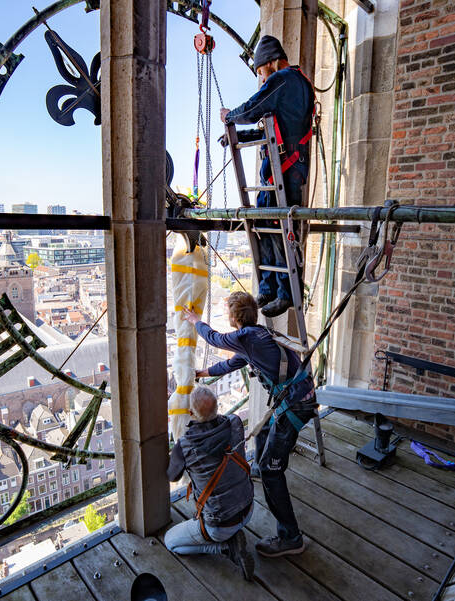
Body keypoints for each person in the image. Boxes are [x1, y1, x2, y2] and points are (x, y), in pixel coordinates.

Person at [182, 292, 317, 557]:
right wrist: (204, 373)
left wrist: (195, 320)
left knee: (271, 471)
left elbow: (214, 339)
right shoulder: (257, 336)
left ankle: (290, 537)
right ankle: (261, 465)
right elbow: (233, 363)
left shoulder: (245, 338)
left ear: (234, 318)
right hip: (300, 399)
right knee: (264, 431)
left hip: (295, 405)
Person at [220, 35, 315, 318]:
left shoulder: (284, 79)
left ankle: (284, 292)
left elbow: (251, 109)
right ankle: (270, 287)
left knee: (278, 228)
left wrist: (229, 117)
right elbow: (271, 131)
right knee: (265, 223)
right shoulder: (298, 85)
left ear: (271, 63)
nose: (262, 80)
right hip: (282, 170)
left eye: (261, 73)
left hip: (284, 171)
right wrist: (238, 137)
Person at [164, 385, 255, 580]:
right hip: (248, 508)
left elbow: (172, 476)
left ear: (190, 413)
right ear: (217, 406)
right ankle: (232, 539)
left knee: (170, 541)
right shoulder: (235, 423)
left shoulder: (186, 445)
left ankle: (227, 548)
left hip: (219, 525)